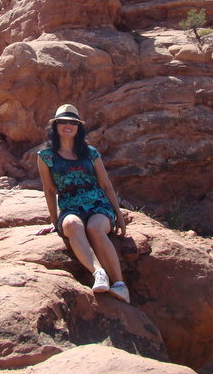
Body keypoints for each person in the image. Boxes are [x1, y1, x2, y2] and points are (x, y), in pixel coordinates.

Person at [35, 104, 130, 303]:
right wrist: (55, 223)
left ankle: (120, 285)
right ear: (56, 126)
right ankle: (99, 273)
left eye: (72, 122)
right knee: (72, 225)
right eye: (63, 122)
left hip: (98, 205)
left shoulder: (90, 153)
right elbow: (50, 190)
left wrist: (119, 215)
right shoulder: (46, 156)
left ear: (78, 127)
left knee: (95, 228)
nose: (67, 126)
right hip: (70, 207)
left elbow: (105, 185)